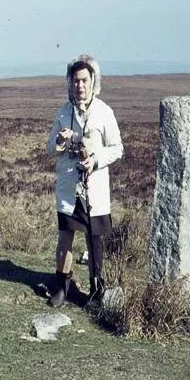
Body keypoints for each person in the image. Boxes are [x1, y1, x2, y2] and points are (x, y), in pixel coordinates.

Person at [46, 54, 123, 307]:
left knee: (95, 238)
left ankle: (97, 288)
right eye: (75, 81)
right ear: (70, 83)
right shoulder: (63, 112)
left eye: (84, 81)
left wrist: (96, 160)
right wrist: (59, 141)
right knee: (65, 235)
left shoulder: (104, 112)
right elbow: (49, 148)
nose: (80, 86)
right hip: (70, 186)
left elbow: (117, 148)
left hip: (94, 186)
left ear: (93, 82)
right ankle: (62, 286)